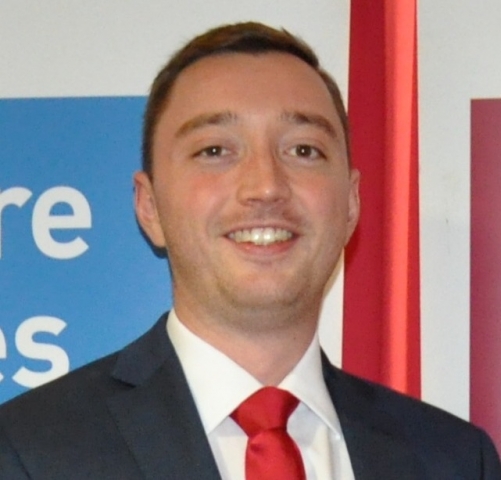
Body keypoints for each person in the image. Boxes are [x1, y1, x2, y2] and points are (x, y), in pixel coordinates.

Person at [0, 21, 499, 480]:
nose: (265, 186)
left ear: (351, 204)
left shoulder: (455, 460)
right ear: (149, 207)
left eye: (303, 150)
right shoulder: (27, 450)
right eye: (215, 151)